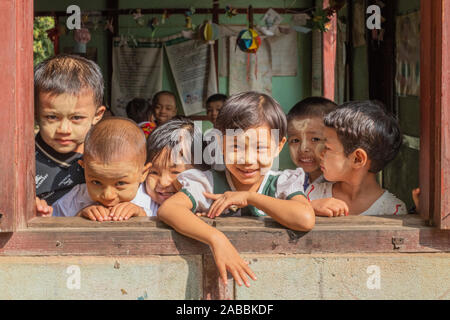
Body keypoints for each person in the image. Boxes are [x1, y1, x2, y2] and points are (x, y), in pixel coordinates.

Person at [157, 91, 315, 288]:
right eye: (236, 147)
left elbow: (305, 219)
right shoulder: (208, 183)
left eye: (260, 148)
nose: (247, 159)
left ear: (278, 146)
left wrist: (250, 197)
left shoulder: (281, 183)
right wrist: (216, 239)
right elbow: (169, 209)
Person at [34, 54, 106, 216]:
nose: (64, 129)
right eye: (52, 117)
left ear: (97, 114)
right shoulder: (21, 161)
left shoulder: (106, 155)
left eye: (76, 118)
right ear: (35, 113)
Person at [308, 100, 407, 216]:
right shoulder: (313, 195)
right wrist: (309, 207)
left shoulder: (393, 211)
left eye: (327, 148)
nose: (320, 154)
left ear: (357, 159)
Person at [52, 117, 154, 220]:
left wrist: (142, 215)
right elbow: (52, 227)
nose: (108, 195)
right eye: (96, 182)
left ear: (143, 173)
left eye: (120, 183)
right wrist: (79, 217)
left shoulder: (153, 199)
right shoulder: (73, 200)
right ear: (84, 167)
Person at [287, 97, 349, 217]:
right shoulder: (289, 182)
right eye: (295, 140)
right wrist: (310, 206)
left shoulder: (344, 185)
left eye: (315, 139)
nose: (303, 148)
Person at [145, 118, 210, 207]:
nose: (163, 183)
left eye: (175, 172)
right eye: (153, 172)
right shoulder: (140, 202)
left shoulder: (211, 203)